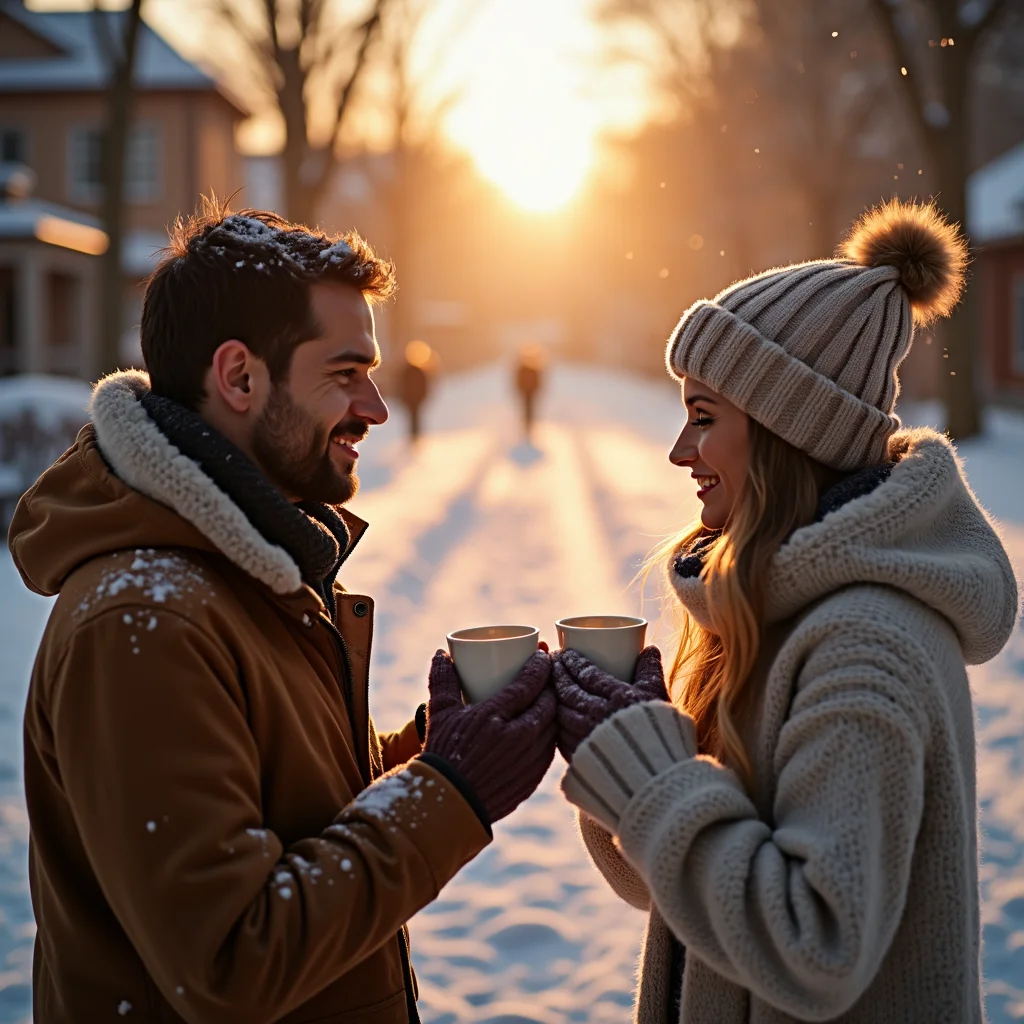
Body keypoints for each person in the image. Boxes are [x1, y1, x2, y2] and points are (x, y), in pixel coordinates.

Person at [9, 200, 556, 1024]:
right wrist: (453, 789)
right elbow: (231, 958)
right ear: (238, 378)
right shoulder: (142, 623)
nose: (374, 407)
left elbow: (287, 805)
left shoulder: (251, 561)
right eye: (344, 374)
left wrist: (432, 749)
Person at [552, 200, 1019, 1023]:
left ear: (782, 433)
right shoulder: (775, 609)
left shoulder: (863, 645)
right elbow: (692, 899)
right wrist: (620, 751)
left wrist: (654, 774)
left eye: (704, 417)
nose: (679, 451)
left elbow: (814, 946)